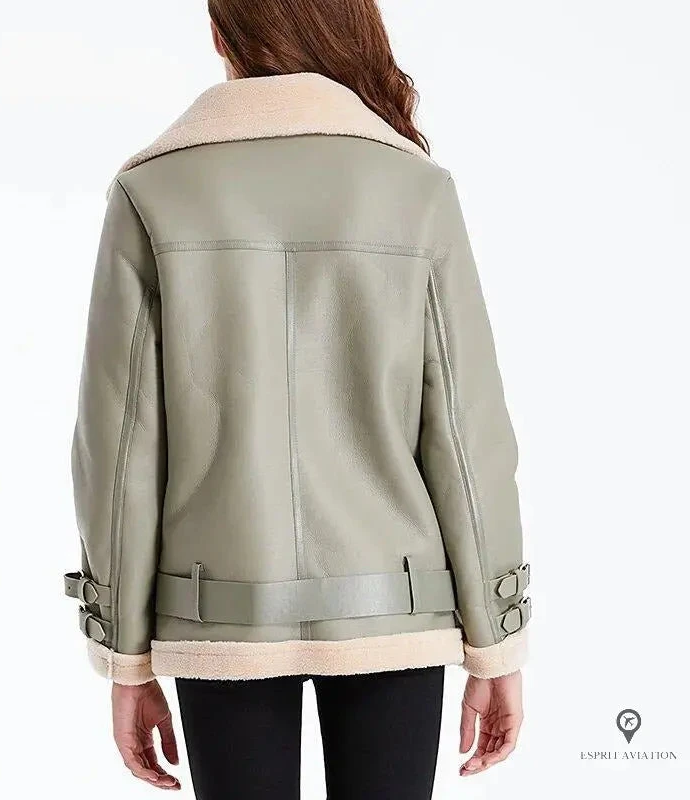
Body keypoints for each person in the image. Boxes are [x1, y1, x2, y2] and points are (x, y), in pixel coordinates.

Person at [63, 1, 530, 797]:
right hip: (396, 608)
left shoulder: (153, 191)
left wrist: (125, 657)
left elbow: (120, 448)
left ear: (221, 34)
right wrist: (497, 643)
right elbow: (464, 433)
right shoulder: (414, 188)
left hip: (217, 613)